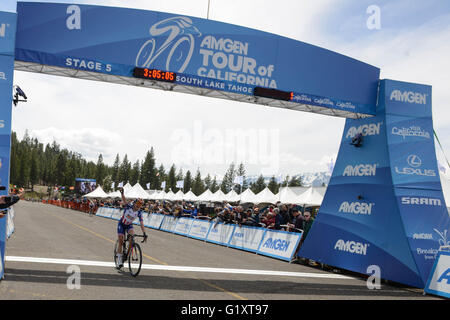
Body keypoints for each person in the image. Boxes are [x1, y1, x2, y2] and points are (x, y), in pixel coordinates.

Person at [115, 187, 147, 270]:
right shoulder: (128, 207)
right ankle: (119, 259)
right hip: (122, 224)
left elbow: (142, 223)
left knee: (132, 238)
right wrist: (122, 193)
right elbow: (124, 200)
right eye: (137, 204)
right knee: (121, 241)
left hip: (129, 225)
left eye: (140, 205)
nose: (138, 206)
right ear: (135, 203)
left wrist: (144, 233)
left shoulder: (139, 212)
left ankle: (126, 255)